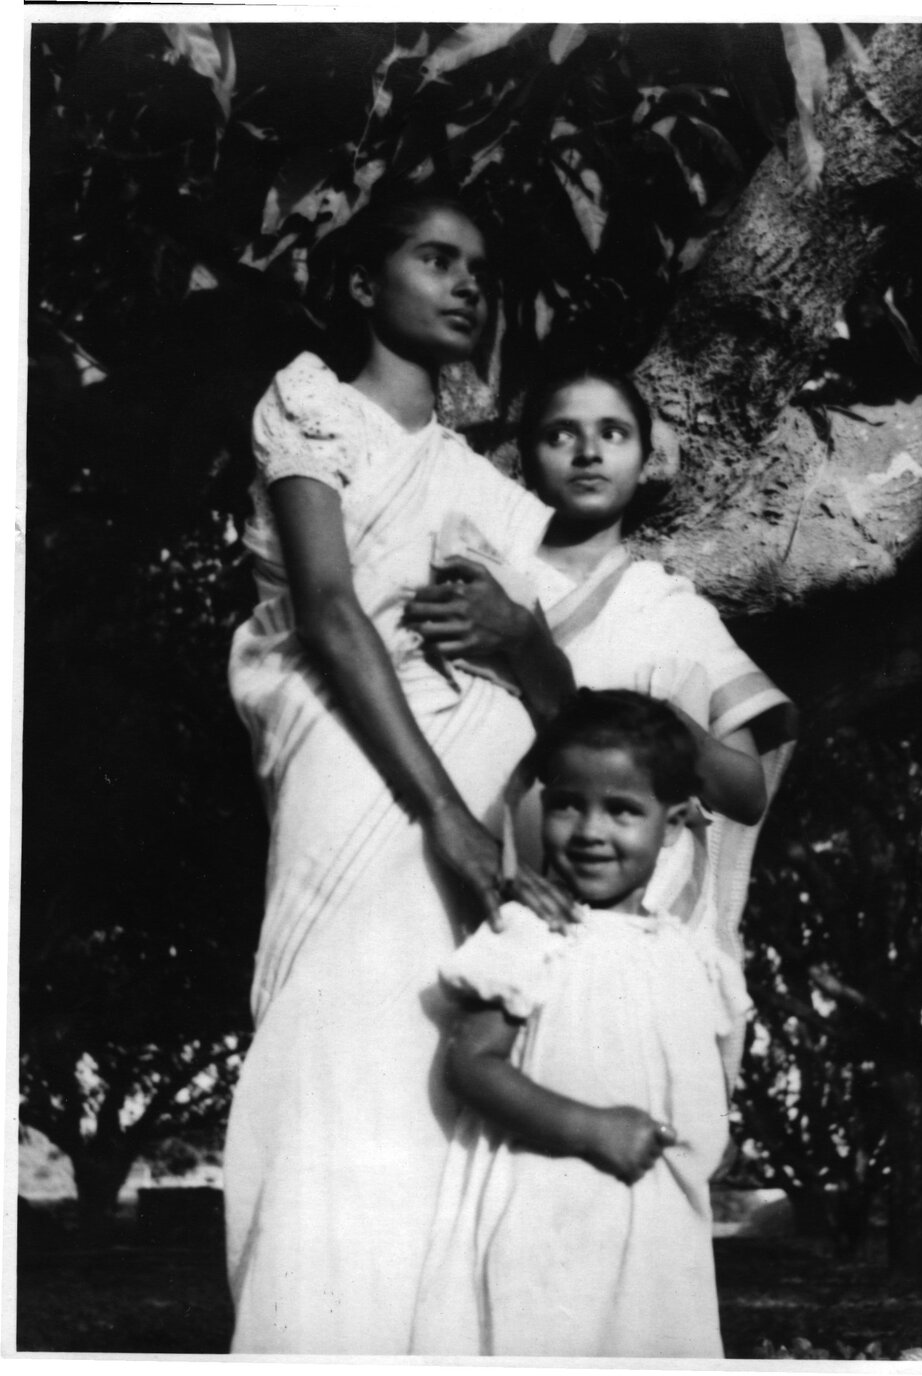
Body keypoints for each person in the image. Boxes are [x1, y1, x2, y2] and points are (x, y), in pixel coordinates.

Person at [223, 190, 574, 1355]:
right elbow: (328, 610)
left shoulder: (496, 493)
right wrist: (442, 817)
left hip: (475, 794)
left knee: (433, 1070)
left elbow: (566, 711)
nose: (468, 282)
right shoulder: (310, 406)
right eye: (437, 258)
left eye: (480, 264)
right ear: (368, 282)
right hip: (364, 777)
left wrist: (521, 639)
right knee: (336, 1050)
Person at [407, 363, 798, 1088]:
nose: (588, 453)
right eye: (562, 435)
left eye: (612, 434)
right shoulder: (479, 576)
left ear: (646, 458)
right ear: (524, 456)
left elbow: (745, 791)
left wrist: (660, 723)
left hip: (628, 920)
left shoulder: (675, 612)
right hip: (486, 892)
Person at [410, 690, 733, 1357]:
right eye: (567, 805)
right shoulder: (534, 929)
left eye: (621, 811)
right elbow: (472, 1063)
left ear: (672, 824)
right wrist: (591, 1129)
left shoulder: (685, 952)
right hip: (545, 1202)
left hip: (651, 1222)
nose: (589, 832)